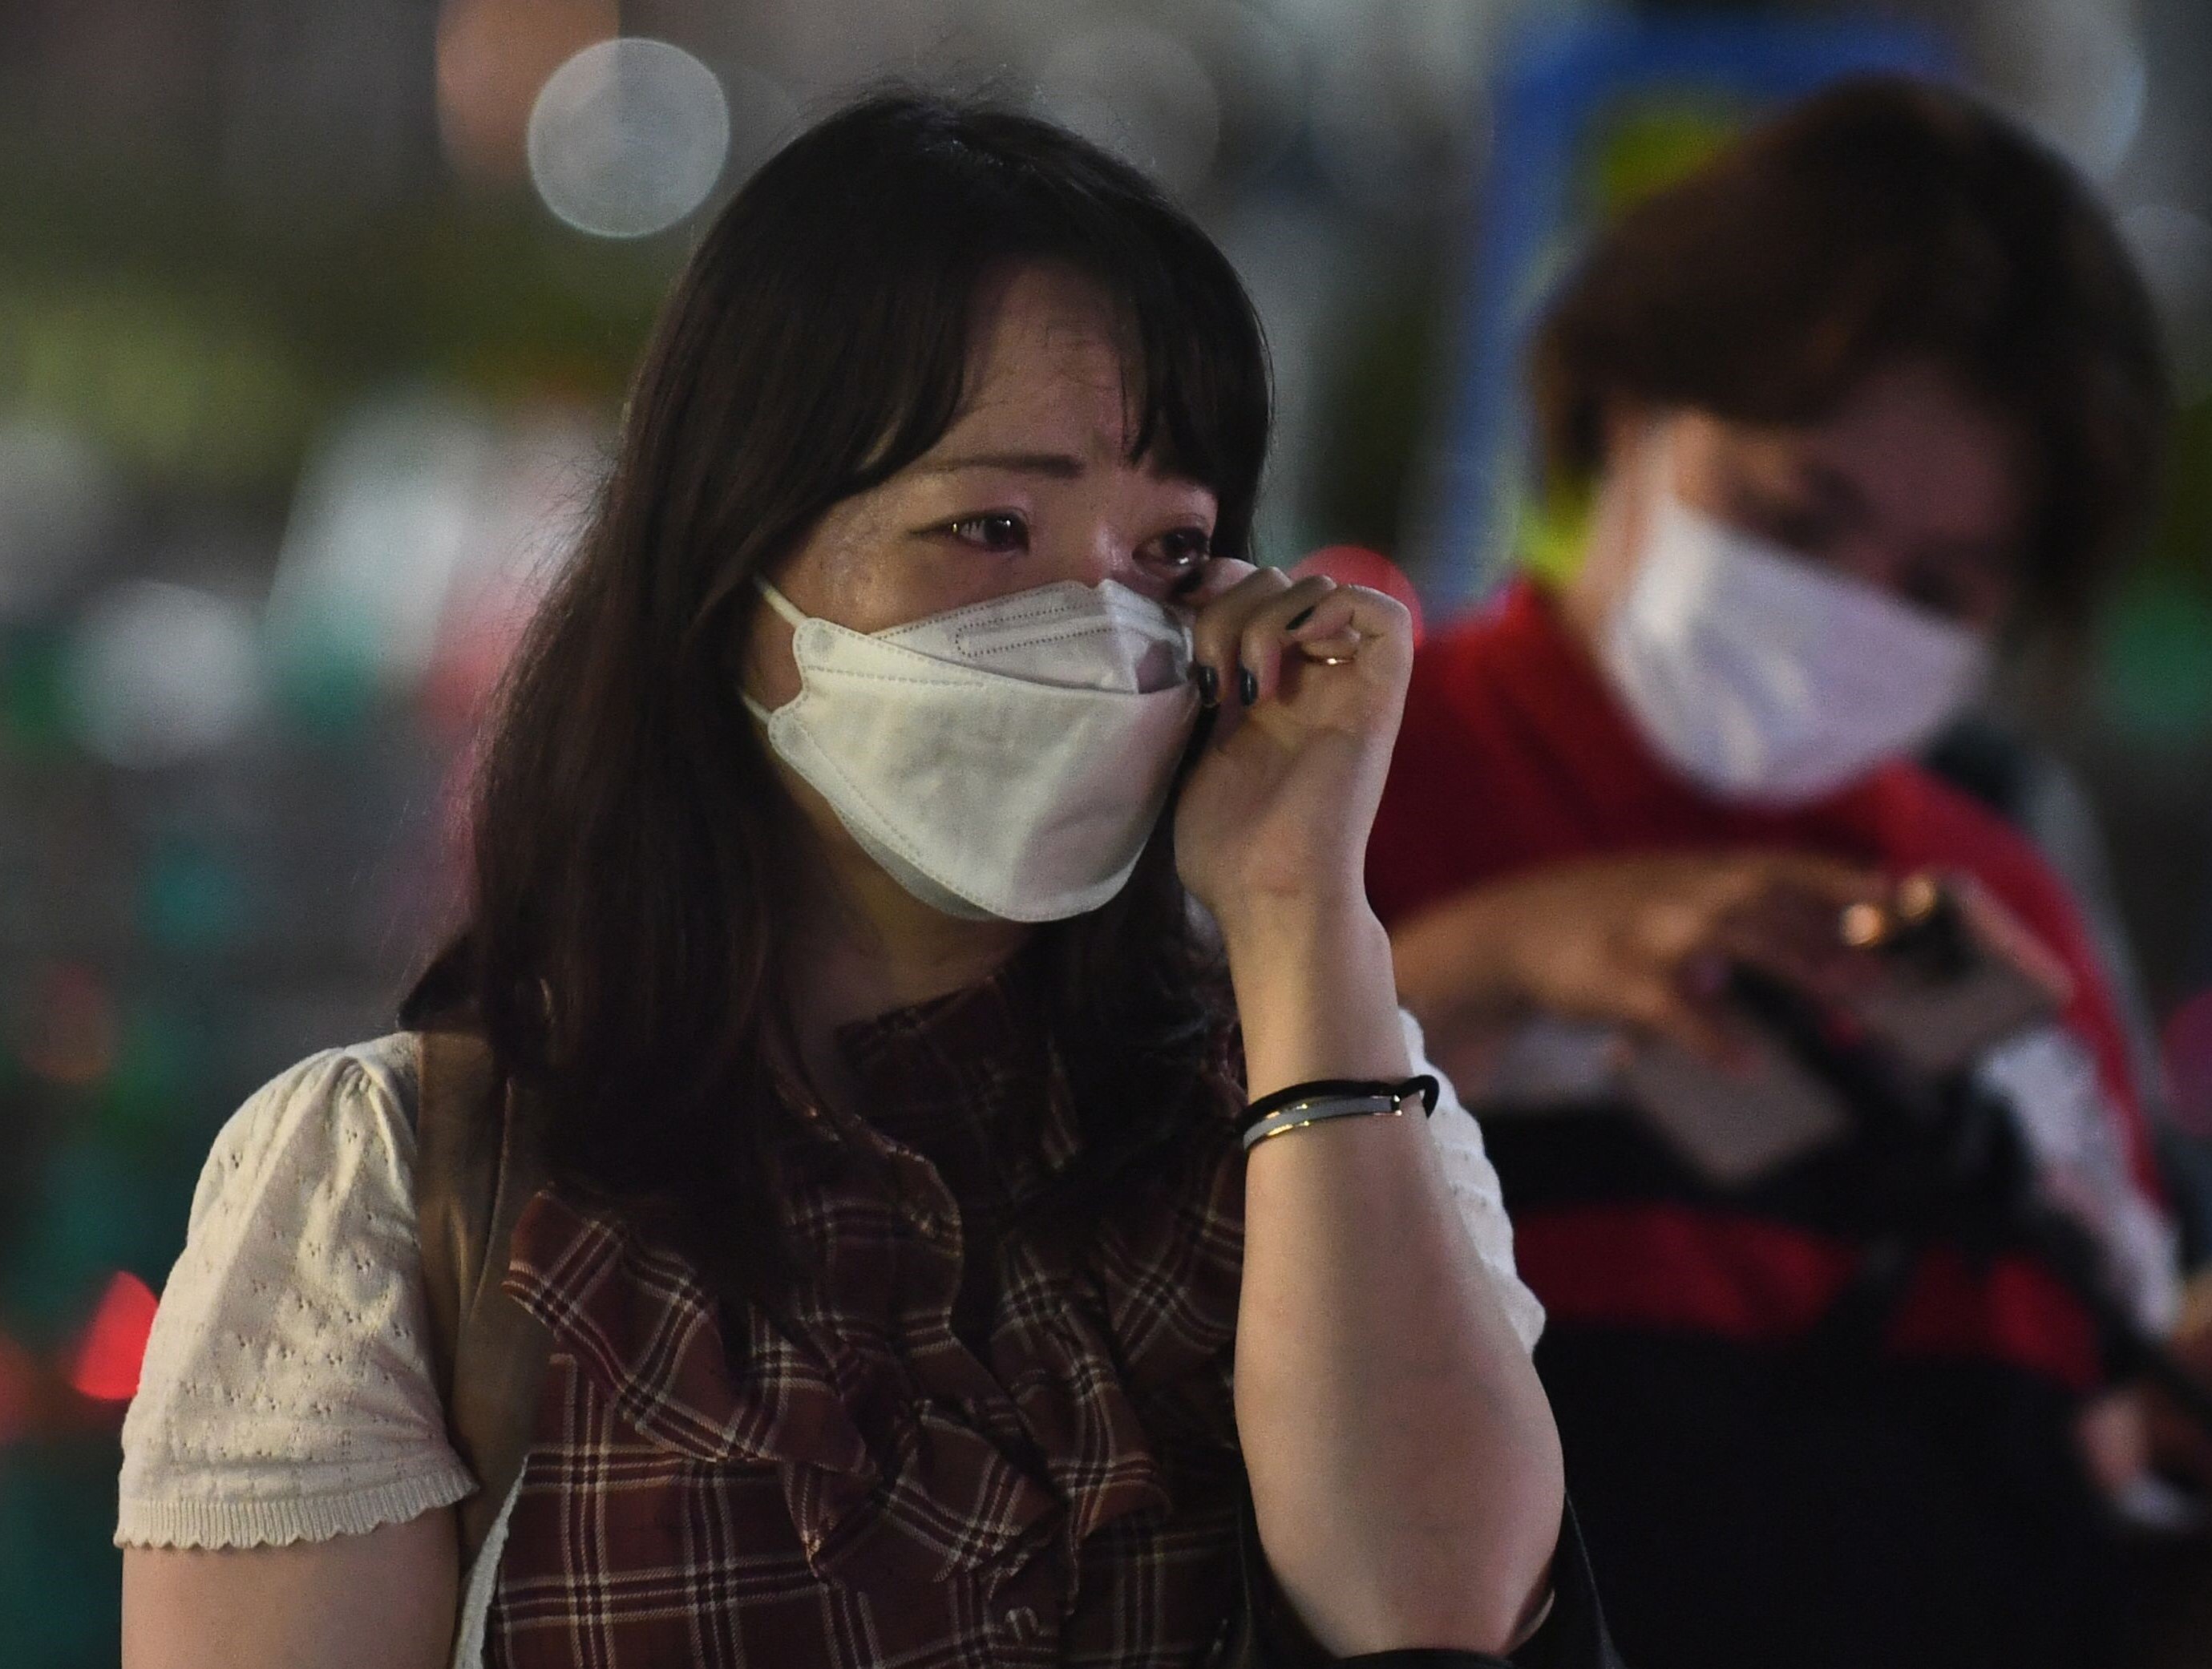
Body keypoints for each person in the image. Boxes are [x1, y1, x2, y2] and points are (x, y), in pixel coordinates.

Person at [115, 94, 1585, 1668]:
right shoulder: (402, 1188)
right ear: (731, 562)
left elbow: (1435, 1612)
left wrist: (1298, 909)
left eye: (1168, 553)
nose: (1101, 628)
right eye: (991, 527)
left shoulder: (1323, 1111)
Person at [1366, 75, 2181, 1669]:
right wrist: (1478, 964)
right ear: (1625, 405)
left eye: (1938, 588)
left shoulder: (1999, 905)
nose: (1848, 610)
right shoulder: (1355, 788)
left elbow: (2099, 1440)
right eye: (1797, 518)